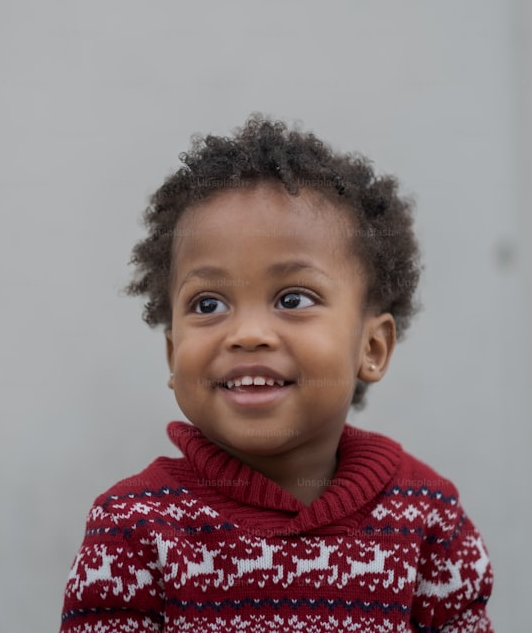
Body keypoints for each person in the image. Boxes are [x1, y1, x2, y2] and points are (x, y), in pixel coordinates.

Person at [60, 116, 494, 632]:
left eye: (293, 299)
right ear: (173, 355)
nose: (247, 333)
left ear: (372, 347)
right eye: (208, 303)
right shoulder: (133, 529)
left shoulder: (428, 518)